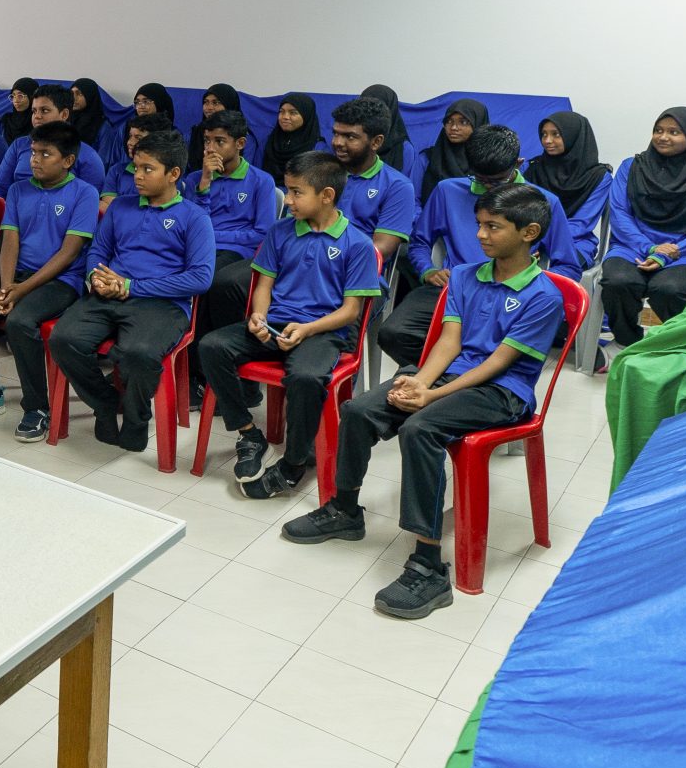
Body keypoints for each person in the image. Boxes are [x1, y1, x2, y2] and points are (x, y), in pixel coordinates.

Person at [283, 184, 565, 623]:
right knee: (358, 411)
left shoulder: (544, 295)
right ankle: (344, 509)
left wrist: (432, 397)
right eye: (479, 225)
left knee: (421, 430)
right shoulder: (467, 275)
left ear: (529, 232)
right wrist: (418, 382)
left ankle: (428, 565)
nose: (481, 234)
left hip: (502, 391)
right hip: (448, 377)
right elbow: (449, 342)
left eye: (494, 226)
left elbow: (498, 362)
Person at [194, 152, 383, 498]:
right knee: (212, 345)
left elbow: (351, 311)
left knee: (307, 377)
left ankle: (295, 462)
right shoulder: (280, 232)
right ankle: (249, 432)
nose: (289, 200)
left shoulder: (356, 244)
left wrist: (308, 329)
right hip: (277, 323)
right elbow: (263, 286)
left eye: (297, 192)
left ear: (326, 195)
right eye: (288, 190)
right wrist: (259, 317)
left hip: (324, 331)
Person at [49, 129, 216, 453]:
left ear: (173, 174)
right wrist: (96, 278)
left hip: (161, 304)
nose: (137, 176)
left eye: (147, 169)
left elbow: (200, 278)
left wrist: (133, 286)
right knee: (63, 339)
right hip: (108, 293)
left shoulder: (195, 218)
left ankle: (137, 418)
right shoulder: (120, 207)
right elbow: (98, 251)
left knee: (138, 353)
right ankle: (107, 402)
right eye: (136, 167)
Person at [379, 126, 572, 367]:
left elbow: (567, 265)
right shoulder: (448, 191)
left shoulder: (542, 202)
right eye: (482, 179)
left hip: (511, 295)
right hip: (452, 287)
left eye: (498, 180)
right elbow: (419, 242)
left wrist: (533, 287)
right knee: (394, 334)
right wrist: (427, 270)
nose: (490, 187)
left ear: (519, 163)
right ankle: (449, 376)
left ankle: (454, 380)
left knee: (492, 349)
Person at [0, 121, 98, 439]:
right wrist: (7, 285)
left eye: (45, 153)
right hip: (15, 275)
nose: (34, 159)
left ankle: (37, 407)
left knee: (21, 321)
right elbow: (10, 241)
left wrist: (21, 291)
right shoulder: (18, 189)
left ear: (67, 161)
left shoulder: (84, 194)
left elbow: (69, 252)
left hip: (60, 281)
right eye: (33, 152)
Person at [601, 107, 686, 353]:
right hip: (632, 247)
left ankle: (674, 346)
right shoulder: (631, 167)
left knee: (670, 289)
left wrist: (666, 254)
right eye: (658, 130)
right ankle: (625, 341)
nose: (663, 137)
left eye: (674, 132)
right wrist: (649, 248)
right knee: (617, 281)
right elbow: (619, 213)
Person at [182, 109, 281, 348]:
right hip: (199, 248)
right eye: (207, 141)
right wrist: (205, 184)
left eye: (219, 141)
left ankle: (207, 358)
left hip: (238, 253)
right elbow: (189, 224)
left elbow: (261, 233)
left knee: (210, 281)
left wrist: (210, 236)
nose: (210, 148)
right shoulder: (195, 179)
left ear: (240, 143)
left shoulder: (261, 180)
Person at [525, 111, 611, 284]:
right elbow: (521, 212)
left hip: (575, 242)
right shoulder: (532, 168)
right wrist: (525, 246)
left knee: (556, 279)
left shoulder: (599, 177)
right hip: (530, 238)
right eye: (544, 134)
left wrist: (540, 239)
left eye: (556, 134)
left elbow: (582, 223)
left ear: (574, 136)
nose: (547, 141)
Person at [331, 96, 420, 263]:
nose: (338, 142)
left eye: (349, 137)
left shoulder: (398, 186)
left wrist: (327, 260)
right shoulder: (319, 172)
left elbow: (381, 249)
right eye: (336, 133)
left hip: (360, 276)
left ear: (376, 142)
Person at [0, 85, 109, 196]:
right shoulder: (19, 145)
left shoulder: (88, 157)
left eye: (44, 110)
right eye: (34, 111)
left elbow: (88, 201)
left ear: (64, 114)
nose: (37, 116)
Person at [416, 98, 490, 199]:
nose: (454, 127)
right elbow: (413, 200)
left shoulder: (490, 161)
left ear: (478, 125)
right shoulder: (427, 159)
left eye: (463, 122)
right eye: (449, 121)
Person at [257, 92, 321, 183]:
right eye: (281, 112)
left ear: (306, 116)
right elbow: (257, 175)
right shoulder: (268, 142)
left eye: (293, 113)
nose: (285, 117)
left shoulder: (318, 147)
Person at [362, 84, 414, 179]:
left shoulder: (404, 149)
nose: (372, 114)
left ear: (391, 111)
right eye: (366, 109)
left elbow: (403, 185)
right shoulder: (352, 142)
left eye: (379, 109)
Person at [188, 83, 243, 173]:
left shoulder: (242, 135)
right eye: (206, 102)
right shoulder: (197, 131)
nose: (209, 108)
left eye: (215, 103)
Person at [67, 78, 114, 172]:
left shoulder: (103, 125)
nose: (74, 98)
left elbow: (103, 160)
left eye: (79, 93)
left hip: (89, 174)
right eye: (72, 94)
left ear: (90, 96)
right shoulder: (67, 120)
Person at [0, 77, 39, 141]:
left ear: (32, 97)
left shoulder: (38, 121)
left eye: (20, 96)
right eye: (13, 96)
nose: (15, 100)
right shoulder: (6, 120)